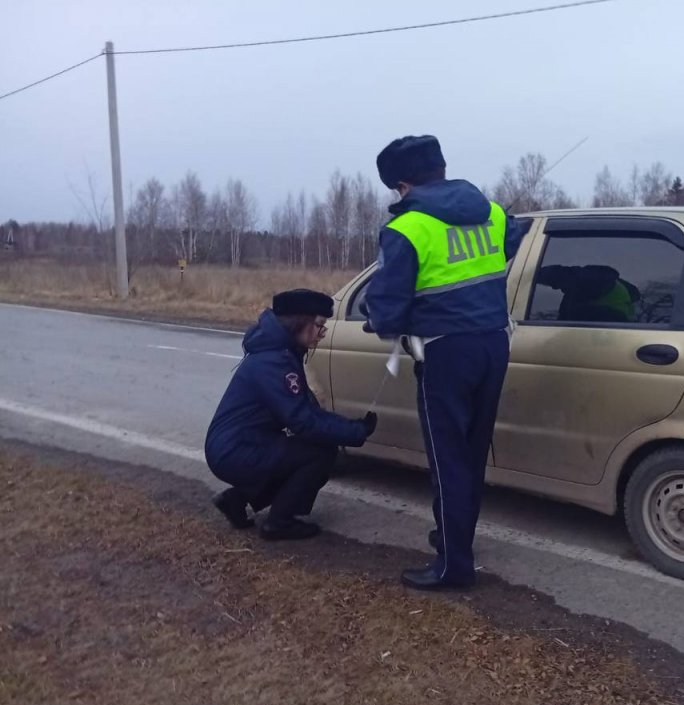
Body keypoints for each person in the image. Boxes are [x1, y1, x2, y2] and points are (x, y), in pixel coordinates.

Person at [365, 135, 525, 590]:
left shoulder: (408, 229)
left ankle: (454, 565)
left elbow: (387, 308)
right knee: (472, 453)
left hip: (446, 352)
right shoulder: (491, 213)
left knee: (446, 456)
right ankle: (456, 537)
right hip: (495, 344)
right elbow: (514, 237)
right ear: (441, 168)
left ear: (401, 185)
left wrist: (382, 322)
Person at [205, 289, 377, 540]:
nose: (322, 332)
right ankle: (280, 523)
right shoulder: (275, 361)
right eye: (319, 325)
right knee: (319, 454)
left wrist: (352, 427)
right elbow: (303, 421)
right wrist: (354, 432)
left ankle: (237, 499)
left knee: (303, 451)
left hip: (238, 445)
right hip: (235, 450)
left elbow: (307, 410)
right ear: (299, 323)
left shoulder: (280, 353)